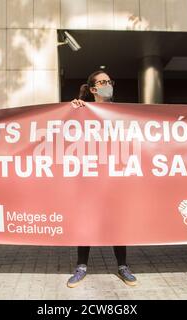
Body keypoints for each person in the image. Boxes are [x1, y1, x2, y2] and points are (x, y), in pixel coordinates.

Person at [67, 70, 137, 288]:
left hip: (115, 177)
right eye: (103, 82)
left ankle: (123, 266)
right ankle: (81, 267)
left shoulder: (122, 112)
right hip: (89, 176)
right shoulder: (82, 110)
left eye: (110, 81)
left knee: (116, 221)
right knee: (86, 220)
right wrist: (73, 109)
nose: (109, 85)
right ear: (94, 89)